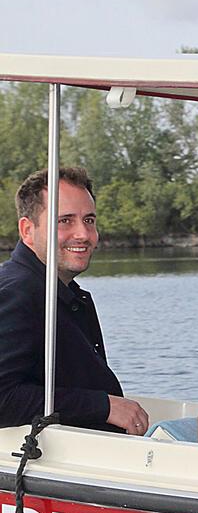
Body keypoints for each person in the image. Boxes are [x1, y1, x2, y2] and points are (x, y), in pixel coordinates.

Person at [0, 167, 148, 435]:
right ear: (27, 230)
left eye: (89, 220)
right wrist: (103, 406)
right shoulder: (17, 294)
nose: (83, 234)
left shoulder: (64, 293)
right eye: (65, 220)